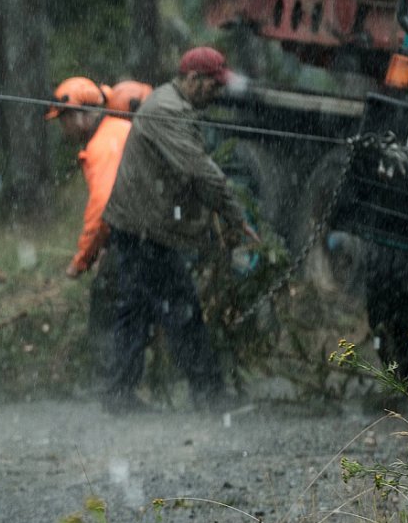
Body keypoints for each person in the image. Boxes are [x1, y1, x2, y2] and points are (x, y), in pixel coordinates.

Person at [100, 46, 258, 413]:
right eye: (212, 85)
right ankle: (209, 395)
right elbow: (199, 171)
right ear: (191, 79)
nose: (216, 93)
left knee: (135, 312)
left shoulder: (169, 103)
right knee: (182, 310)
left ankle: (118, 395)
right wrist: (236, 216)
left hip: (137, 227)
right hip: (145, 232)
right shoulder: (168, 111)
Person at [45, 75, 151, 280]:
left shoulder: (104, 144)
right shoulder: (113, 131)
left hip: (142, 240)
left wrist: (82, 260)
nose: (63, 128)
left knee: (114, 304)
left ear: (76, 115)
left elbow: (102, 207)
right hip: (147, 233)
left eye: (63, 119)